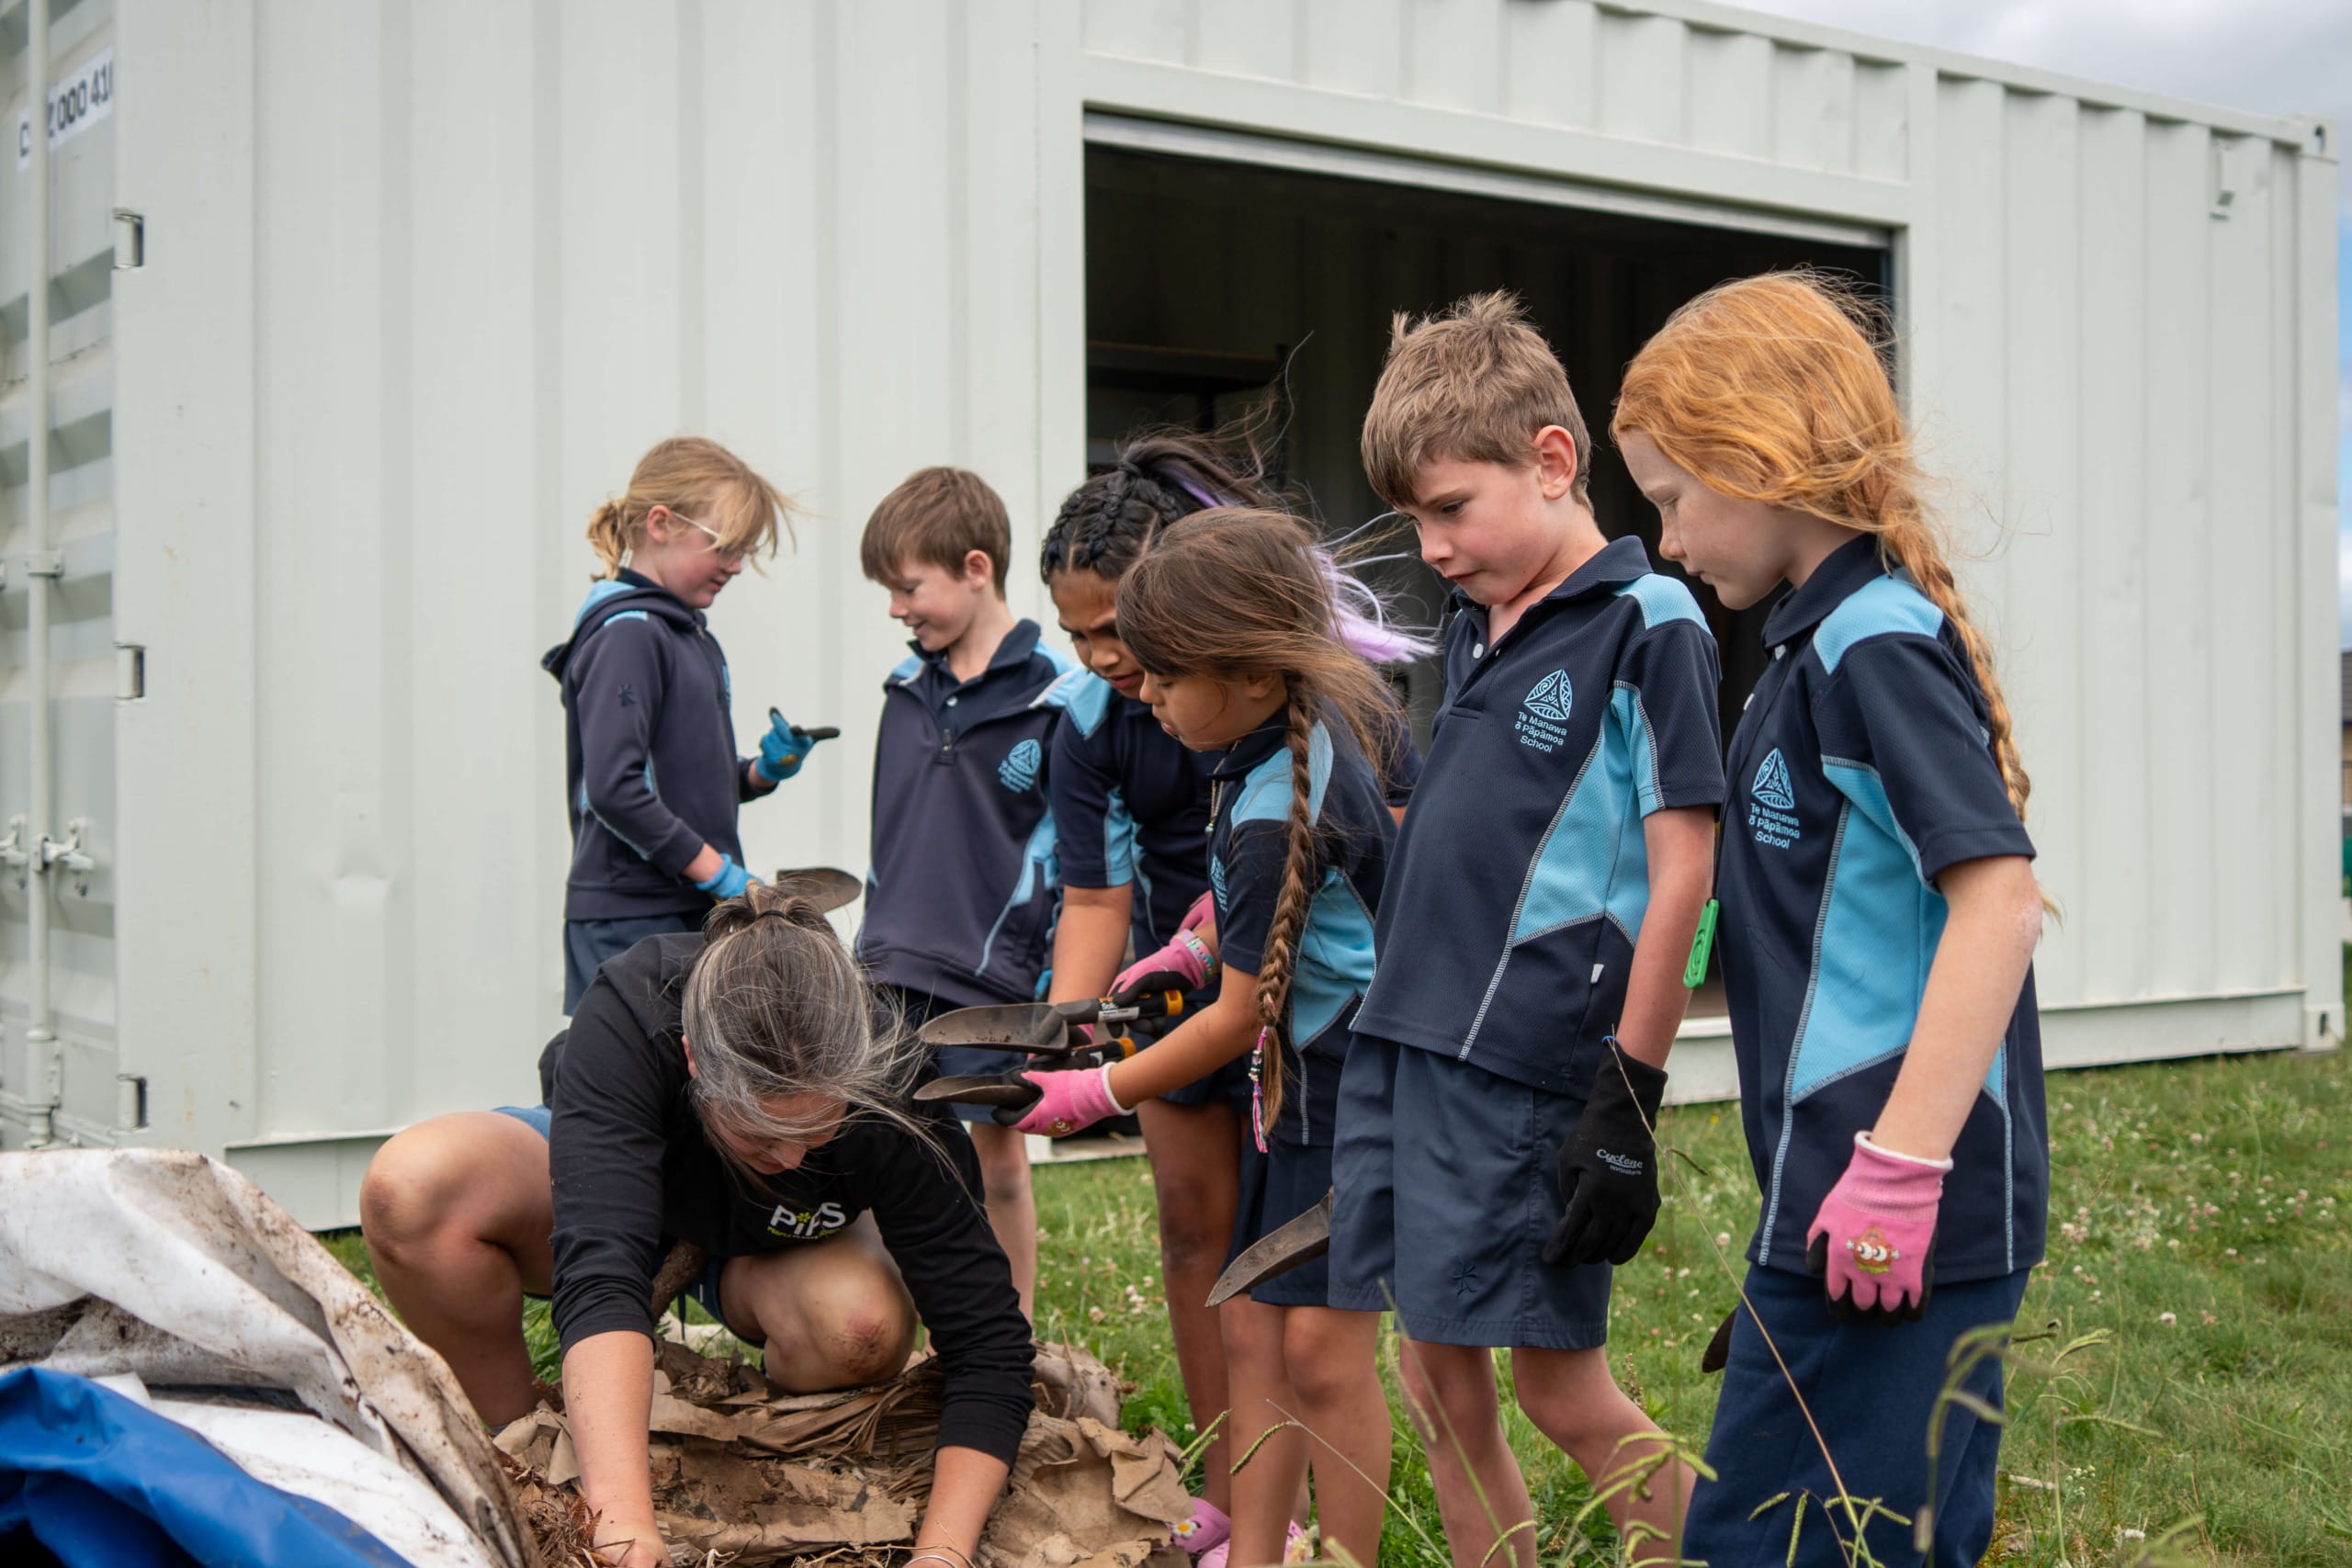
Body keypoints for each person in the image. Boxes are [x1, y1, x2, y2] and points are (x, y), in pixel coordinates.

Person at [1611, 272, 2047, 1568]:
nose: (1672, 540)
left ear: (1760, 453)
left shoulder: (1874, 643)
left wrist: (1902, 1172)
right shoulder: (1807, 653)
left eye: (1675, 499)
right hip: (1834, 1189)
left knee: (1768, 1541)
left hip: (1893, 1208)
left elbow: (2001, 901)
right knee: (1897, 1540)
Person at [1334, 293, 1724, 1568]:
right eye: (1414, 521)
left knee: (1559, 1390)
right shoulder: (1474, 619)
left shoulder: (1647, 623)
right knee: (1438, 1381)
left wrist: (1632, 1090)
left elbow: (1686, 871)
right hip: (1411, 1037)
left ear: (1552, 461)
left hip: (1528, 1067)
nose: (1433, 546)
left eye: (1451, 508)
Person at [358, 889, 1035, 1568]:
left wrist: (942, 1553)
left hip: (780, 1241)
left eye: (815, 1130)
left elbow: (987, 1343)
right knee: (411, 1191)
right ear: (691, 1059)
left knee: (860, 1328)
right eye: (764, 1135)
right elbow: (601, 1273)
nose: (793, 1156)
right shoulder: (635, 1006)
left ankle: (753, 1416)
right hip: (629, 1196)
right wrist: (623, 1530)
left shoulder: (888, 1072)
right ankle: (530, 1454)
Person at [1037, 433, 1423, 1556]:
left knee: (1318, 1356)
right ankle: (1253, 1548)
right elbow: (1250, 919)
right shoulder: (1257, 757)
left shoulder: (1274, 801)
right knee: (1254, 1337)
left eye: (1158, 670)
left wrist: (1091, 1091)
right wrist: (1193, 948)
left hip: (1343, 1094)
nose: (1138, 692)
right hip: (1291, 1094)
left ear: (1247, 668)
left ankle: (1341, 1553)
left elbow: (1240, 1013)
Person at [855, 466, 1081, 1316]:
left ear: (976, 567)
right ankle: (899, 1329)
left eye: (908, 586)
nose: (894, 608)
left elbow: (1074, 855)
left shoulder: (1056, 693)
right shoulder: (905, 692)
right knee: (890, 1151)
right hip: (890, 964)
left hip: (993, 980)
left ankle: (1011, 1327)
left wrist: (1050, 980)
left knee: (996, 1160)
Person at [543, 436, 824, 1012]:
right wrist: (723, 877)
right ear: (661, 523)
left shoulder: (686, 635)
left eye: (745, 551)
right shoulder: (629, 633)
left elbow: (678, 783)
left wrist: (758, 774)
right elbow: (615, 791)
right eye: (724, 546)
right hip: (631, 917)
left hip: (680, 903)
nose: (738, 566)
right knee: (629, 1086)